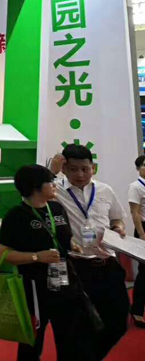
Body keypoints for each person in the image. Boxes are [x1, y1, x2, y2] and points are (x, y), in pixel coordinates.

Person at [0, 164, 94, 360]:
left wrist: (73, 245)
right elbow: (3, 254)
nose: (55, 185)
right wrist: (36, 257)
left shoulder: (56, 208)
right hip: (35, 287)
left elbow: (64, 237)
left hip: (64, 282)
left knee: (70, 337)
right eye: (50, 181)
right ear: (36, 187)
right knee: (32, 341)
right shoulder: (16, 216)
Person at [50, 144, 129, 358]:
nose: (80, 174)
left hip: (107, 264)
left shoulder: (105, 190)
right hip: (73, 267)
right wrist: (51, 171)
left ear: (93, 167)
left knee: (118, 321)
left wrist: (118, 227)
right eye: (73, 169)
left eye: (85, 169)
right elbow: (30, 195)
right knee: (74, 327)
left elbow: (117, 217)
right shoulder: (54, 191)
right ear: (64, 169)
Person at [128, 155, 145, 328]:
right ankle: (137, 311)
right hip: (143, 229)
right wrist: (141, 234)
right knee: (144, 272)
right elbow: (135, 212)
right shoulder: (135, 187)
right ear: (138, 168)